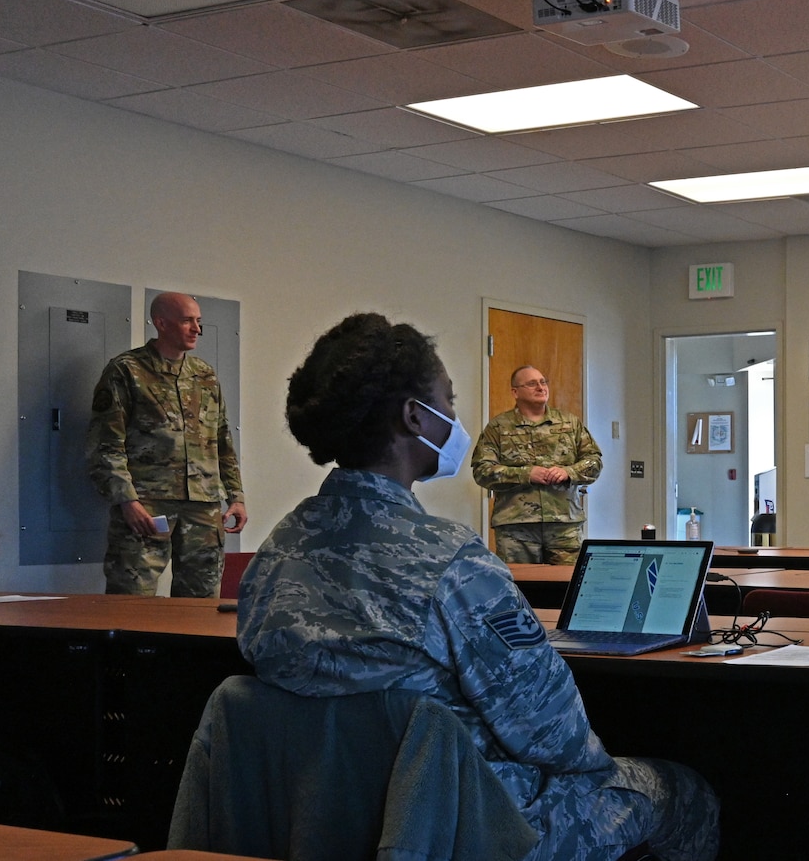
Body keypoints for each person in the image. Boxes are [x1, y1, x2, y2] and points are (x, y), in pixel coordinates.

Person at [236, 313, 717, 860]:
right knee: (682, 789)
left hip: (317, 819)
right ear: (415, 417)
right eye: (448, 398)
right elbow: (555, 738)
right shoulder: (454, 564)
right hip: (473, 821)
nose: (455, 416)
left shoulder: (278, 551)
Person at [85, 291, 246, 596]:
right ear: (161, 323)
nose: (197, 329)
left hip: (202, 507)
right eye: (187, 321)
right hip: (146, 505)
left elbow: (222, 440)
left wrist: (236, 496)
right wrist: (126, 500)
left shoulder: (205, 375)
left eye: (198, 321)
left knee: (201, 603)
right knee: (131, 597)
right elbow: (105, 444)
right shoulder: (126, 371)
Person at [473, 364, 602, 564]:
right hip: (516, 527)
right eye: (532, 384)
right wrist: (526, 474)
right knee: (522, 588)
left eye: (543, 382)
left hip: (564, 525)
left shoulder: (569, 423)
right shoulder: (498, 427)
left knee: (567, 587)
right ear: (515, 392)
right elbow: (482, 471)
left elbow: (594, 461)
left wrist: (568, 472)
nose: (541, 388)